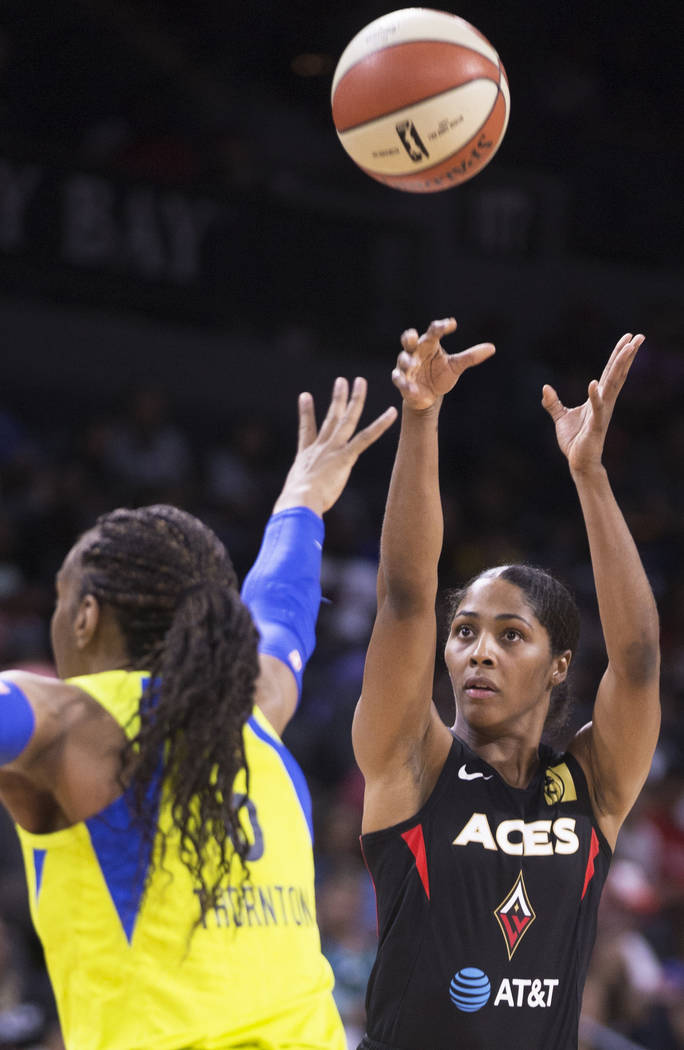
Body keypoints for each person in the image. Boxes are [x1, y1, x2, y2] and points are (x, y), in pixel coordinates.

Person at [0, 376, 397, 1050]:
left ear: (87, 616)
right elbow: (280, 622)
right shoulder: (255, 709)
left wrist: (302, 504)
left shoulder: (69, 722)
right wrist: (301, 503)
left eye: (62, 602)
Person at [353, 318, 661, 1050]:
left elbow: (639, 658)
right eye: (464, 632)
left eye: (510, 635)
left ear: (560, 665)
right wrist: (421, 421)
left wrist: (590, 475)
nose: (477, 652)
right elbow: (403, 592)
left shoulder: (595, 781)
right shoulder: (413, 761)